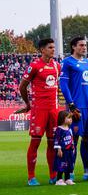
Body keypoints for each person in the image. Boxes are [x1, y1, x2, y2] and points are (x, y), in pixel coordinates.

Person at [19, 38, 60, 186]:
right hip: (39, 110)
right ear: (42, 50)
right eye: (50, 47)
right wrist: (28, 104)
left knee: (52, 143)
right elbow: (22, 86)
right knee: (35, 142)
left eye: (53, 47)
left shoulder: (57, 66)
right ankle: (31, 177)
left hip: (53, 110)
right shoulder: (34, 66)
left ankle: (53, 175)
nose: (53, 50)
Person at [60, 37, 88, 181]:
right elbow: (63, 85)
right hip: (76, 107)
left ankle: (87, 171)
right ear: (73, 47)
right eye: (81, 45)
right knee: (73, 140)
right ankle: (69, 172)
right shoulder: (67, 62)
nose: (84, 48)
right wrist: (71, 104)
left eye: (85, 45)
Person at [53, 111, 75, 186]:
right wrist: (59, 149)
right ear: (62, 119)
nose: (70, 119)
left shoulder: (69, 129)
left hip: (69, 151)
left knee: (69, 165)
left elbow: (71, 139)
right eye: (68, 118)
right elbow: (57, 140)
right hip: (63, 151)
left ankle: (67, 178)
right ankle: (59, 179)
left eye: (71, 118)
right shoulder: (59, 129)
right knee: (61, 165)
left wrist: (73, 148)